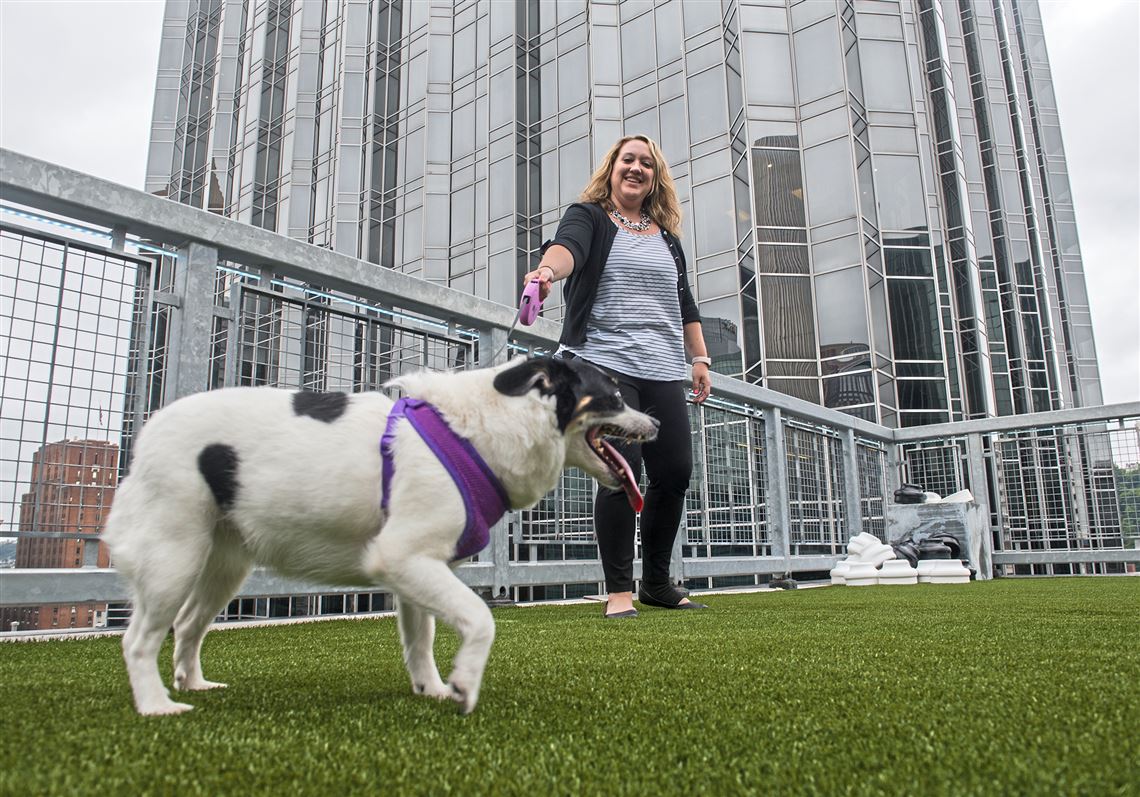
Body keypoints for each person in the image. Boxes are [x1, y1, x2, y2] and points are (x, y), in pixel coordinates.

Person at [523, 134, 713, 618]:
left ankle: (655, 583)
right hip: (603, 360)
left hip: (661, 367)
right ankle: (619, 590)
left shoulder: (667, 240)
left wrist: (700, 360)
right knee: (620, 470)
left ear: (655, 176)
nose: (636, 168)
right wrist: (546, 274)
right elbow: (568, 250)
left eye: (646, 163)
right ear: (612, 167)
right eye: (628, 159)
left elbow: (684, 303)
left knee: (673, 473)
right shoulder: (589, 216)